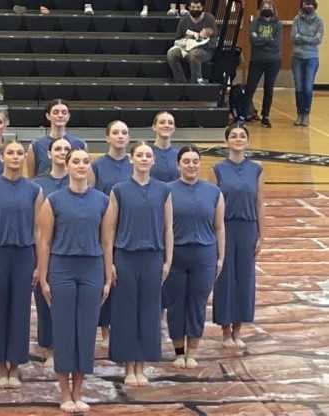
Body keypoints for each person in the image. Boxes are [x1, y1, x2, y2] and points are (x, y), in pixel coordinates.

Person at [37, 149, 111, 413]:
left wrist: (107, 274)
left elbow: (106, 241)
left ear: (90, 167)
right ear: (66, 166)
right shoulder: (53, 200)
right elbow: (44, 242)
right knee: (64, 330)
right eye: (75, 161)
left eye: (85, 161)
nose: (81, 165)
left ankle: (79, 391)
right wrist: (44, 277)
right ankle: (64, 392)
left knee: (86, 331)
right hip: (62, 268)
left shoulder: (102, 201)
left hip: (91, 267)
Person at [103, 142, 173, 386]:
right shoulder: (119, 190)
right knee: (125, 312)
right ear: (131, 159)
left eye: (148, 155)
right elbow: (109, 230)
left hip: (153, 257)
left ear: (153, 161)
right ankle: (128, 365)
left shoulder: (163, 190)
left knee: (149, 311)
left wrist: (168, 261)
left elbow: (168, 228)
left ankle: (141, 364)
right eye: (140, 155)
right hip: (125, 257)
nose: (144, 159)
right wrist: (109, 262)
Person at [0, 141, 42, 388]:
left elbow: (39, 229)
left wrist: (39, 263)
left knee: (20, 311)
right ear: (1, 158)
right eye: (10, 153)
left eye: (19, 153)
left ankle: (15, 366)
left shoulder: (34, 190)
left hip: (24, 254)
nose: (15, 157)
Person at [164, 145, 225, 369]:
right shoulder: (166, 190)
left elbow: (219, 227)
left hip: (204, 255)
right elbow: (165, 227)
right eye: (186, 161)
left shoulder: (213, 192)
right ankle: (178, 351)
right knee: (175, 303)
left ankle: (193, 351)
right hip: (177, 255)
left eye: (195, 161)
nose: (191, 165)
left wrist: (221, 256)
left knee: (198, 303)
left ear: (200, 164)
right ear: (178, 164)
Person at [212, 125, 264, 349]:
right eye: (233, 136)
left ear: (248, 141)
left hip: (247, 228)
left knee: (245, 278)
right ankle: (224, 330)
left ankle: (238, 329)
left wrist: (262, 234)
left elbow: (259, 202)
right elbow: (212, 203)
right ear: (226, 142)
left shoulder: (257, 169)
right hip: (224, 228)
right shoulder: (217, 169)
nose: (238, 139)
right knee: (224, 278)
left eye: (242, 136)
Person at [90, 120, 132, 346]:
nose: (120, 136)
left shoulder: (134, 164)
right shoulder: (96, 166)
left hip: (129, 230)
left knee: (124, 281)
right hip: (105, 230)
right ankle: (104, 329)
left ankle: (122, 326)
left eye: (124, 132)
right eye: (115, 132)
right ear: (107, 137)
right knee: (107, 278)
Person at [32, 138, 71, 367]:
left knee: (68, 302)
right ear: (48, 154)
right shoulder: (38, 184)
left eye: (67, 149)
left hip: (71, 248)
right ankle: (48, 347)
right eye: (58, 148)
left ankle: (66, 345)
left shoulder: (78, 178)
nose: (62, 152)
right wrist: (39, 261)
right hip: (46, 248)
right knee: (45, 298)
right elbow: (38, 226)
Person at [245, 0, 282, 128]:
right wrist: (267, 40)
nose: (266, 9)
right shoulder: (255, 22)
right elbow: (253, 40)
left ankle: (265, 116)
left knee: (268, 89)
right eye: (264, 7)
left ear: (273, 9)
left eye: (269, 7)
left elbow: (276, 43)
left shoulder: (277, 24)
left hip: (273, 61)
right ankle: (245, 113)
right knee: (250, 88)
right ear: (261, 9)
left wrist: (261, 39)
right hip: (257, 60)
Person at [27, 99, 86, 178]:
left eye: (64, 112)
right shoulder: (36, 146)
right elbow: (32, 178)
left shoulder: (80, 145)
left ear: (68, 116)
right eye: (56, 112)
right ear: (48, 116)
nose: (60, 115)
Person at [167, 0, 217, 84]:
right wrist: (185, 41)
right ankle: (181, 82)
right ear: (189, 8)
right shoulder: (184, 20)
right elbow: (177, 39)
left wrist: (200, 42)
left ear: (202, 8)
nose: (195, 10)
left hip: (204, 50)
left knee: (194, 54)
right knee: (171, 54)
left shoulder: (209, 19)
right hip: (185, 48)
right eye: (193, 7)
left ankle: (196, 83)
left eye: (198, 7)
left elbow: (214, 39)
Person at [292, 0, 324, 127]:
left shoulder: (319, 21)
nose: (308, 6)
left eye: (310, 4)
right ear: (302, 5)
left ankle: (306, 114)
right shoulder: (296, 19)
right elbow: (293, 37)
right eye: (306, 3)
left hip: (312, 58)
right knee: (299, 87)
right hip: (297, 58)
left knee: (308, 87)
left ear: (314, 6)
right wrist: (308, 38)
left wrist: (302, 37)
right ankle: (299, 113)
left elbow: (318, 39)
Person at [150, 112, 180, 183]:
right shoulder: (146, 154)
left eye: (170, 123)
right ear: (154, 127)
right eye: (162, 122)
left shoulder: (180, 155)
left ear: (174, 128)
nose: (166, 125)